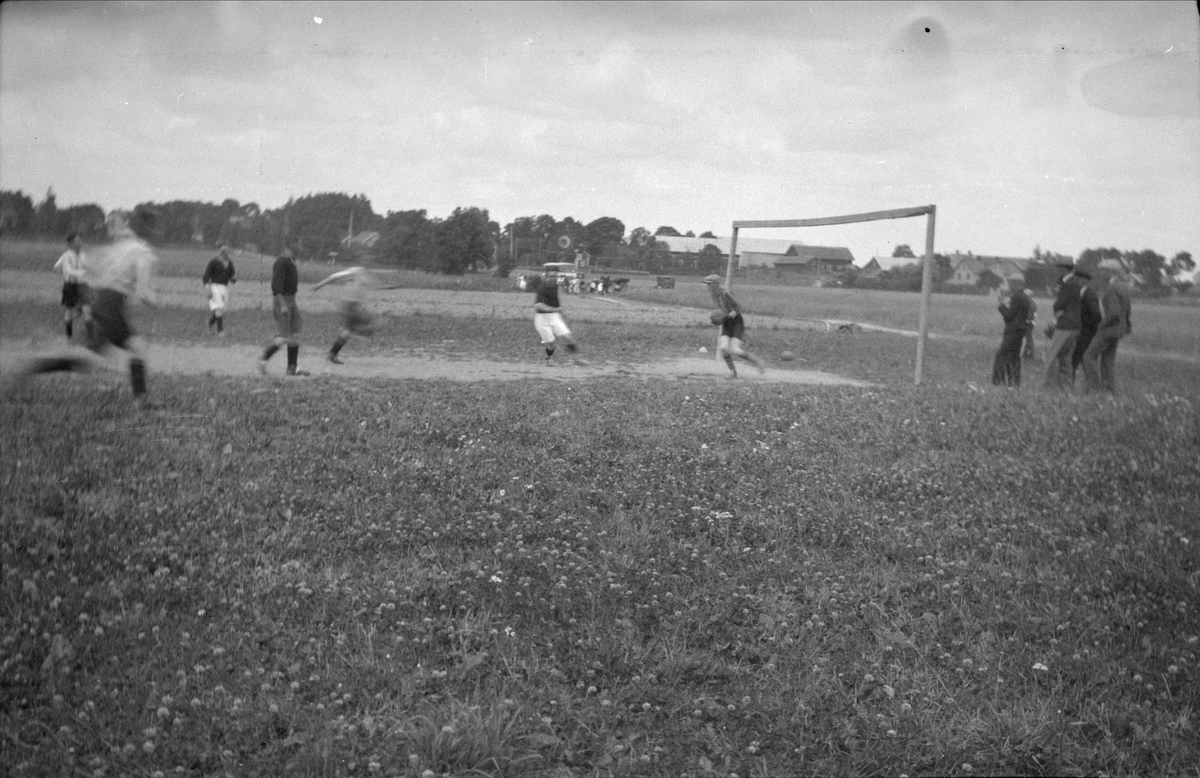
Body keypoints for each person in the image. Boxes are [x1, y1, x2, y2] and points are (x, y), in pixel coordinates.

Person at [15, 208, 162, 408]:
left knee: (89, 357)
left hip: (98, 301)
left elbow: (94, 270)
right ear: (151, 231)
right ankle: (141, 401)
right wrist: (156, 302)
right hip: (111, 304)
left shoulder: (121, 247)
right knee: (137, 347)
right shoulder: (144, 253)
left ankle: (39, 365)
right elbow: (142, 293)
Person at [312, 266, 387, 364]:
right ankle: (359, 334)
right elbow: (334, 277)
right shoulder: (355, 272)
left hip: (352, 305)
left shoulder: (361, 274)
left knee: (349, 331)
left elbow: (371, 285)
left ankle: (333, 353)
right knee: (375, 323)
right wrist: (319, 285)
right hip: (351, 306)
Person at [703, 274, 766, 378]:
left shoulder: (726, 293)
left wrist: (730, 314)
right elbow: (721, 311)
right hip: (727, 322)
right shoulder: (713, 295)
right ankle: (733, 371)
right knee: (723, 348)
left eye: (709, 284)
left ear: (716, 284)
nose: (707, 286)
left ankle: (757, 361)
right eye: (707, 284)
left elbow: (739, 306)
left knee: (735, 350)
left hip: (736, 321)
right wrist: (718, 318)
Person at [1081, 270, 1133, 395]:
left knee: (1088, 356)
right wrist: (1126, 325)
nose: (1101, 275)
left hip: (1109, 330)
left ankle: (1095, 388)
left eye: (1103, 273)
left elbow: (1113, 312)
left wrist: (1101, 325)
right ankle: (1111, 390)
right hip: (1119, 329)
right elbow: (1128, 310)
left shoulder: (1111, 289)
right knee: (1108, 361)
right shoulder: (1124, 288)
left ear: (1110, 274)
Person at [1042, 258, 1091, 391]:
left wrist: (1057, 309)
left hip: (1065, 326)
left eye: (1059, 268)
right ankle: (1066, 388)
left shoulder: (1068, 284)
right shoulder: (1075, 284)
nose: (1058, 270)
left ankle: (1048, 388)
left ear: (1064, 269)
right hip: (1075, 327)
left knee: (1051, 358)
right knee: (1066, 359)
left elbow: (1059, 304)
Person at [258, 247, 304, 376]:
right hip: (283, 302)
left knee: (295, 336)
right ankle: (263, 359)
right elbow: (276, 288)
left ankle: (292, 368)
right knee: (285, 337)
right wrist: (283, 305)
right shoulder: (282, 262)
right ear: (285, 251)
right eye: (290, 249)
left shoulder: (289, 262)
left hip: (291, 301)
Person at [532, 268, 584, 366]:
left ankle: (576, 359)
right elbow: (538, 305)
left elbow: (554, 302)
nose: (553, 278)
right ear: (546, 277)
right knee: (551, 342)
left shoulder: (555, 288)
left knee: (568, 337)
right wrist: (553, 309)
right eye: (551, 276)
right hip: (541, 318)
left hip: (554, 317)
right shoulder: (542, 288)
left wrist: (563, 314)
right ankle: (548, 359)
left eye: (555, 276)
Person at [53, 232, 93, 342]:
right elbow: (66, 270)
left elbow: (87, 267)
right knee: (69, 310)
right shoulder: (66, 256)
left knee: (87, 310)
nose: (80, 242)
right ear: (71, 243)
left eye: (80, 240)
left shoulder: (83, 255)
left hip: (82, 285)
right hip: (70, 285)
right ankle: (69, 337)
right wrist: (82, 273)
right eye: (77, 240)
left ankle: (90, 338)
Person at [991, 279, 1032, 387]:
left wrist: (1001, 304)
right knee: (1014, 357)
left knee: (1001, 356)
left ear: (1015, 284)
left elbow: (1009, 315)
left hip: (1013, 331)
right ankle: (1014, 383)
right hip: (1020, 331)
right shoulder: (1025, 297)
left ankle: (998, 382)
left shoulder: (1016, 297)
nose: (1009, 286)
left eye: (1010, 283)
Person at [201, 244, 237, 336]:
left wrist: (234, 278)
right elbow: (206, 277)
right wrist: (208, 289)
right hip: (214, 287)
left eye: (228, 252)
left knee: (220, 309)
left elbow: (232, 278)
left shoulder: (230, 264)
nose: (227, 254)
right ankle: (220, 331)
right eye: (225, 252)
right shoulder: (213, 262)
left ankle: (209, 322)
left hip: (224, 288)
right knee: (218, 308)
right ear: (221, 253)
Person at [1021, 288, 1039, 363]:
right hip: (1028, 323)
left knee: (1029, 340)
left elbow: (1029, 316)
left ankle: (1030, 355)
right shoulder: (1029, 303)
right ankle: (1025, 354)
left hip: (1028, 324)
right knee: (1027, 339)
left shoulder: (1031, 304)